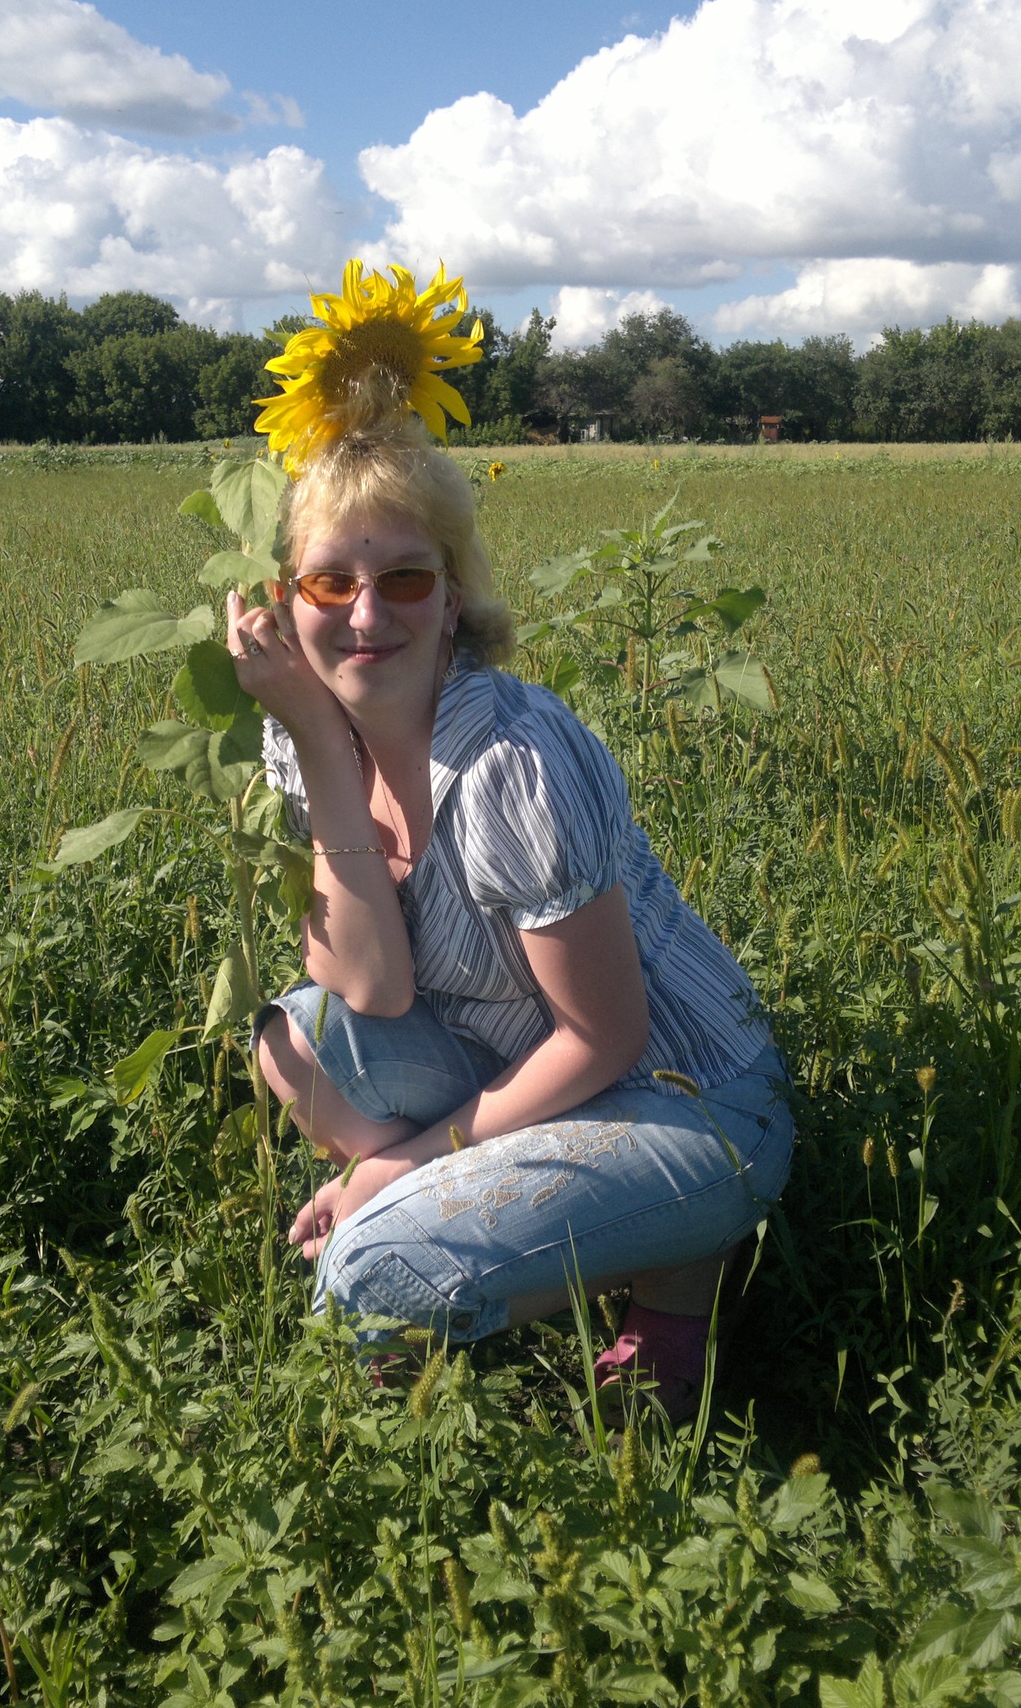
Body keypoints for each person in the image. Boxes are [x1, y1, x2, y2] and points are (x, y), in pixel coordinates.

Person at [225, 266, 793, 1421]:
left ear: (452, 597)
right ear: (287, 596)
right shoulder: (302, 729)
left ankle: (678, 1267)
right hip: (524, 1062)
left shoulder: (508, 760)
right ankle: (563, 1228)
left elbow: (606, 1035)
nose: (366, 614)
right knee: (297, 1037)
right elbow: (370, 986)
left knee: (364, 1279)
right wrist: (323, 752)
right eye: (330, 581)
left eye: (404, 578)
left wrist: (407, 1158)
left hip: (684, 1093)